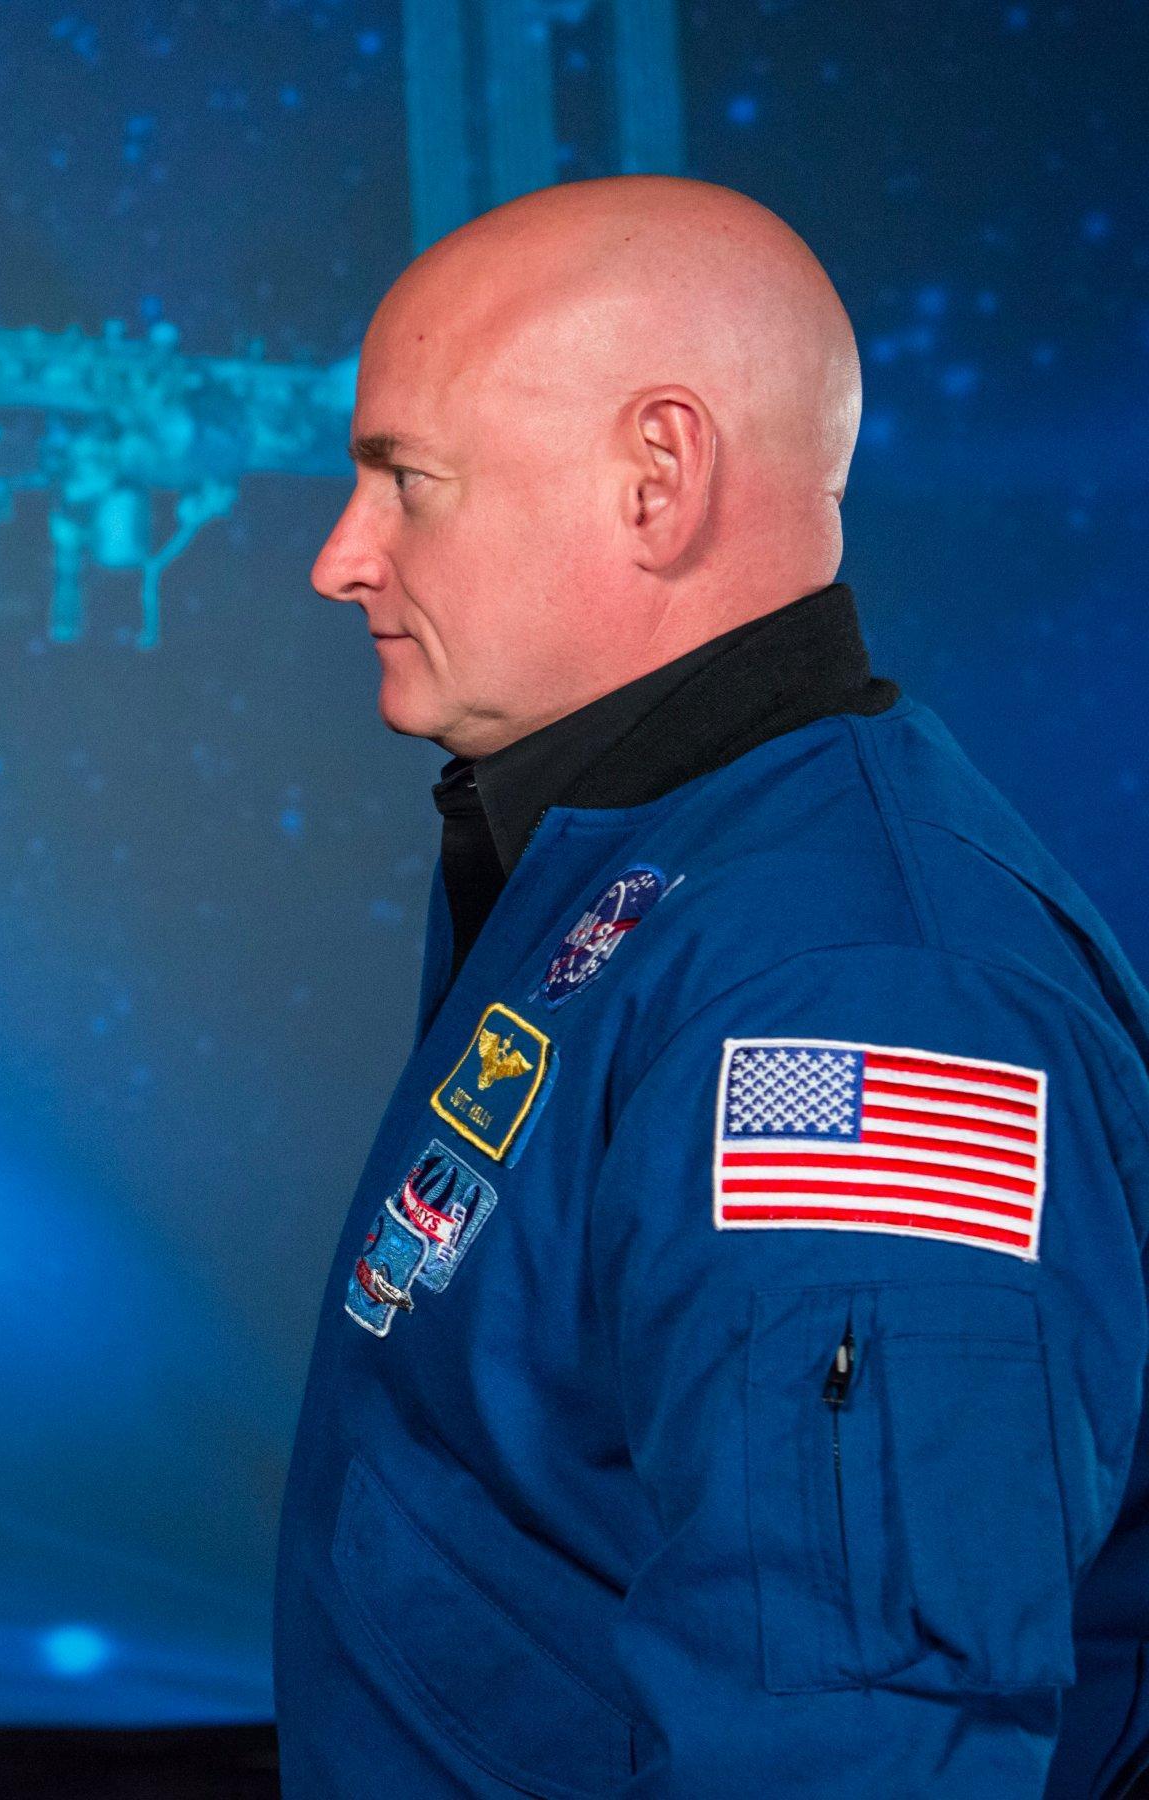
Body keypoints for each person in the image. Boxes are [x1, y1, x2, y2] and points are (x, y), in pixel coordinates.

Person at [276, 175, 1149, 1797]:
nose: (343, 557)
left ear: (658, 481)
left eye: (407, 481)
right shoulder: (640, 874)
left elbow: (852, 1731)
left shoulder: (857, 996)